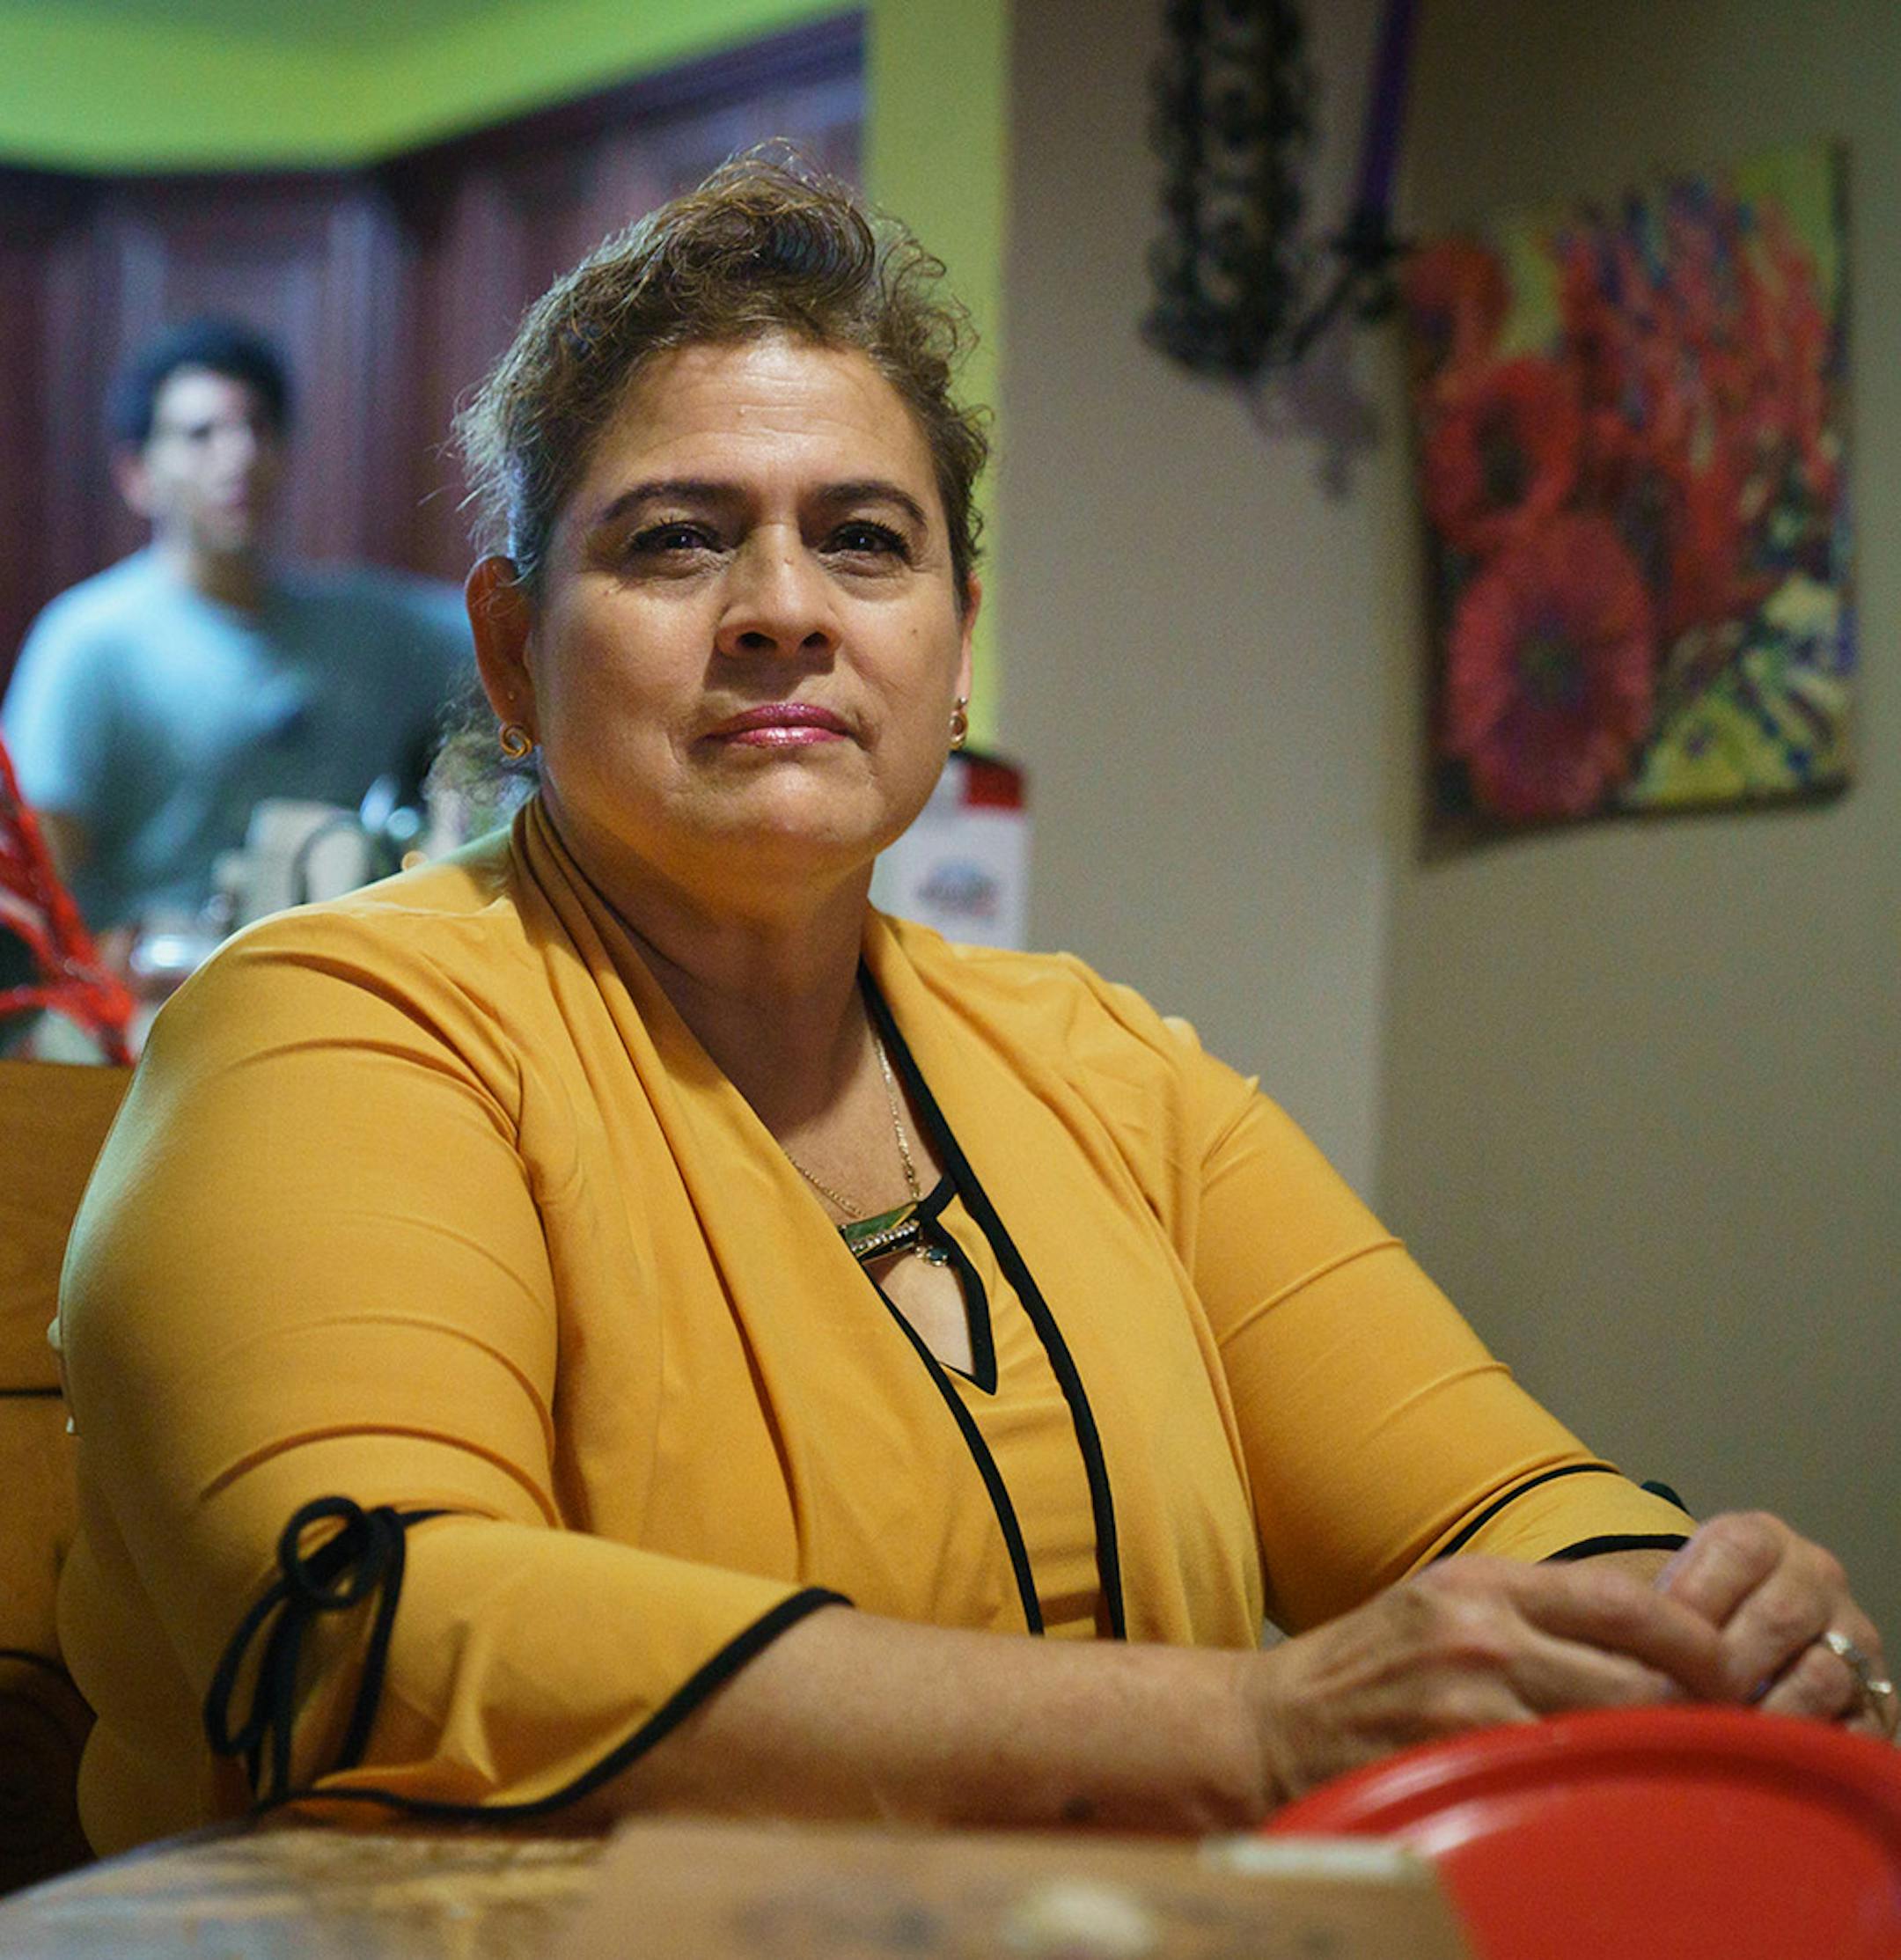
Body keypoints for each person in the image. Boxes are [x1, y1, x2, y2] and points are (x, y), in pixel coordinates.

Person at [55, 158, 1893, 1861]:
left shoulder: (1103, 1070)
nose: (784, 608)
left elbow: (1491, 1505)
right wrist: (1253, 1723)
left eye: (864, 539)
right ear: (516, 655)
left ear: (952, 651)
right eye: (680, 542)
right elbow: (361, 1625)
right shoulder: (335, 1029)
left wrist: (1692, 1610)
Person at [1, 319, 469, 936]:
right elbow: (31, 879)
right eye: (201, 434)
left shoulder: (366, 629)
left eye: (258, 427)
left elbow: (516, 626)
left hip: (333, 980)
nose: (239, 454)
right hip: (152, 1002)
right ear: (137, 474)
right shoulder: (89, 642)